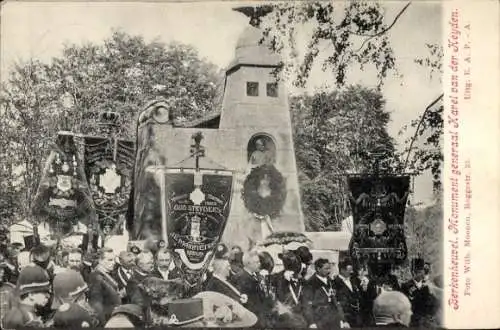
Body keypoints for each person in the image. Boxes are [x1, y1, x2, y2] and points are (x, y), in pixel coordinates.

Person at [302, 258, 349, 329]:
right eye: (326, 269)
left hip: (334, 320)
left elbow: (336, 302)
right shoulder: (310, 283)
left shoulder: (331, 281)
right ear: (318, 269)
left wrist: (343, 320)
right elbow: (307, 306)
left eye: (329, 268)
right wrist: (311, 322)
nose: (329, 271)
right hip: (319, 322)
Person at [269, 251, 308, 328]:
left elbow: (305, 301)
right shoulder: (277, 278)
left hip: (299, 320)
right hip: (283, 320)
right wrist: (284, 280)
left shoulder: (302, 281)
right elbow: (280, 296)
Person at [401, 258, 439, 327]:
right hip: (412, 321)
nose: (419, 274)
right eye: (416, 272)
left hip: (426, 321)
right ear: (412, 272)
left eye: (421, 271)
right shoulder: (405, 286)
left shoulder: (428, 286)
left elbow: (435, 302)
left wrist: (431, 315)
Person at [231, 250, 266, 326]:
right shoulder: (240, 278)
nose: (259, 264)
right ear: (248, 264)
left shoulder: (256, 276)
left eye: (259, 262)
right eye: (257, 262)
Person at [88, 247, 121, 325]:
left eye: (114, 259)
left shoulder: (107, 273)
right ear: (100, 260)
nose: (114, 263)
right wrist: (103, 324)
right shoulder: (96, 277)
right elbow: (96, 305)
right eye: (110, 260)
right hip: (107, 320)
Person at [126, 250, 157, 324]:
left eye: (152, 262)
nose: (152, 265)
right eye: (149, 263)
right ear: (140, 264)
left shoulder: (151, 276)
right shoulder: (133, 281)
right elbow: (139, 305)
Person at [333, 260, 363, 327]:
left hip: (357, 318)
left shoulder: (354, 281)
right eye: (349, 270)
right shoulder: (335, 283)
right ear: (342, 270)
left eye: (352, 270)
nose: (352, 272)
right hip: (345, 318)